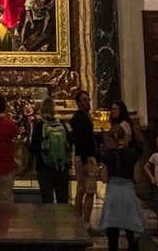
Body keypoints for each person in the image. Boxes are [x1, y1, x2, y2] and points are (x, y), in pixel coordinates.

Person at [97, 125, 146, 251]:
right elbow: (137, 177)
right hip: (128, 194)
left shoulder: (107, 155)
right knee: (131, 231)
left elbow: (103, 178)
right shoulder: (132, 154)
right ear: (125, 138)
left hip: (112, 195)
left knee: (112, 233)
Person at [30, 96, 71, 204]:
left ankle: (48, 220)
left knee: (47, 199)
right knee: (62, 199)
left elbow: (33, 148)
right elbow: (69, 142)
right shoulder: (61, 124)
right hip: (61, 167)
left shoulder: (39, 127)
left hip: (44, 167)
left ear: (41, 110)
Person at [69, 88, 97, 223]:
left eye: (88, 100)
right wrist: (86, 159)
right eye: (84, 100)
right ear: (79, 103)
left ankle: (79, 221)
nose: (88, 103)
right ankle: (85, 222)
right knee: (89, 190)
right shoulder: (81, 118)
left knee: (81, 190)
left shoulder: (83, 116)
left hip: (83, 156)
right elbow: (81, 139)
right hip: (86, 158)